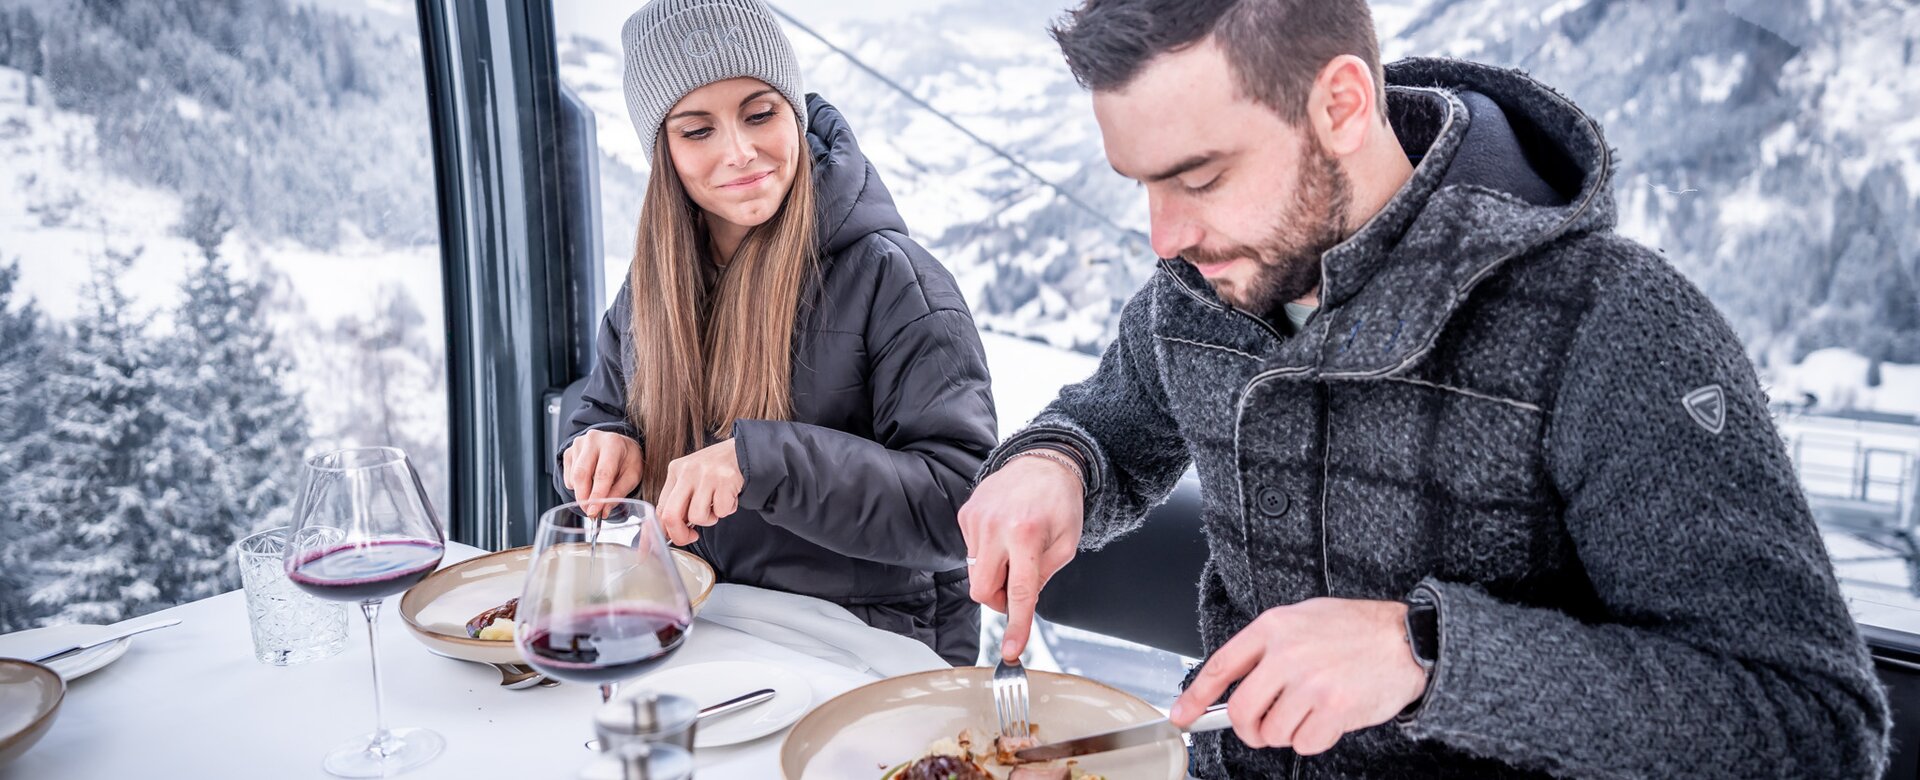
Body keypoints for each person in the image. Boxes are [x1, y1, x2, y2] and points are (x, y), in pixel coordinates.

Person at [959, 0, 1890, 776]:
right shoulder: (1208, 283)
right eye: (1141, 186)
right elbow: (1112, 426)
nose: (1164, 237)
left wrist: (1429, 656)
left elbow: (1813, 723)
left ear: (1342, 105)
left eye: (1198, 177)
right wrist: (1055, 464)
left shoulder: (1613, 325)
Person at [557, 0, 996, 666]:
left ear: (794, 111)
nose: (739, 152)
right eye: (696, 131)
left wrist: (765, 464)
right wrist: (595, 443)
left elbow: (958, 505)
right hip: (701, 623)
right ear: (663, 152)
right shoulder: (653, 284)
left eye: (760, 114)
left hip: (863, 645)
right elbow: (603, 404)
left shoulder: (894, 279)